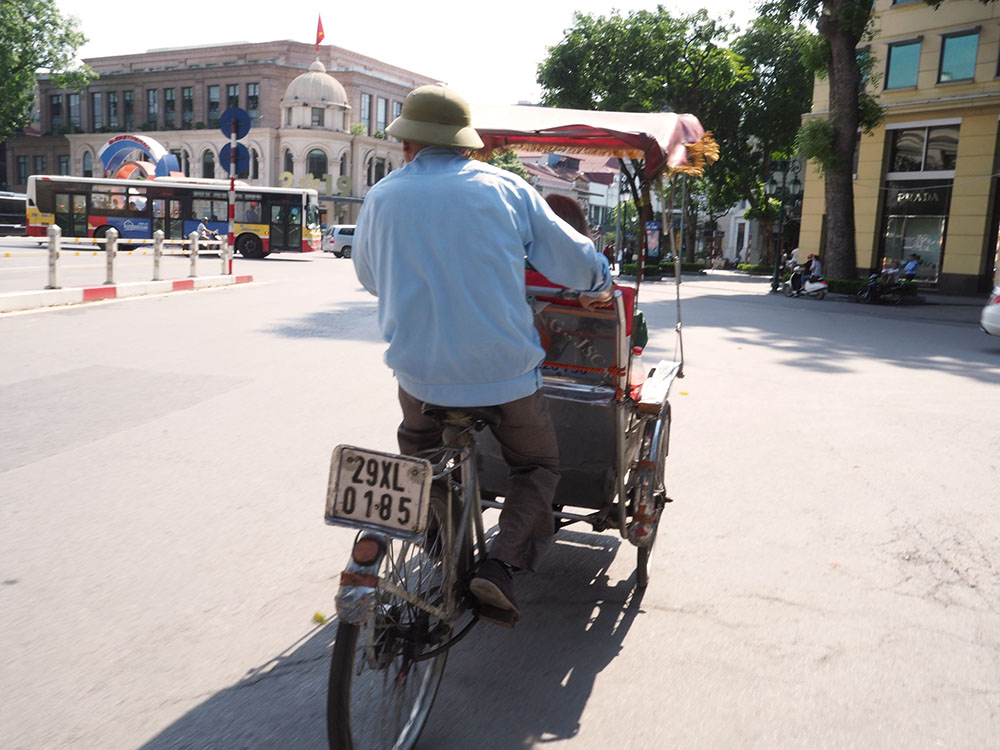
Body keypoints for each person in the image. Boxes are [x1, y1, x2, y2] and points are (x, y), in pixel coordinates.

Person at [353, 84, 613, 618]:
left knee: (419, 450)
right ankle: (499, 565)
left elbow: (370, 279)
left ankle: (438, 541)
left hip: (418, 373)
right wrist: (600, 280)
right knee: (536, 466)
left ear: (408, 145)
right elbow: (573, 260)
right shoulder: (505, 189)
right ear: (467, 145)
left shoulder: (381, 197)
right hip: (506, 373)